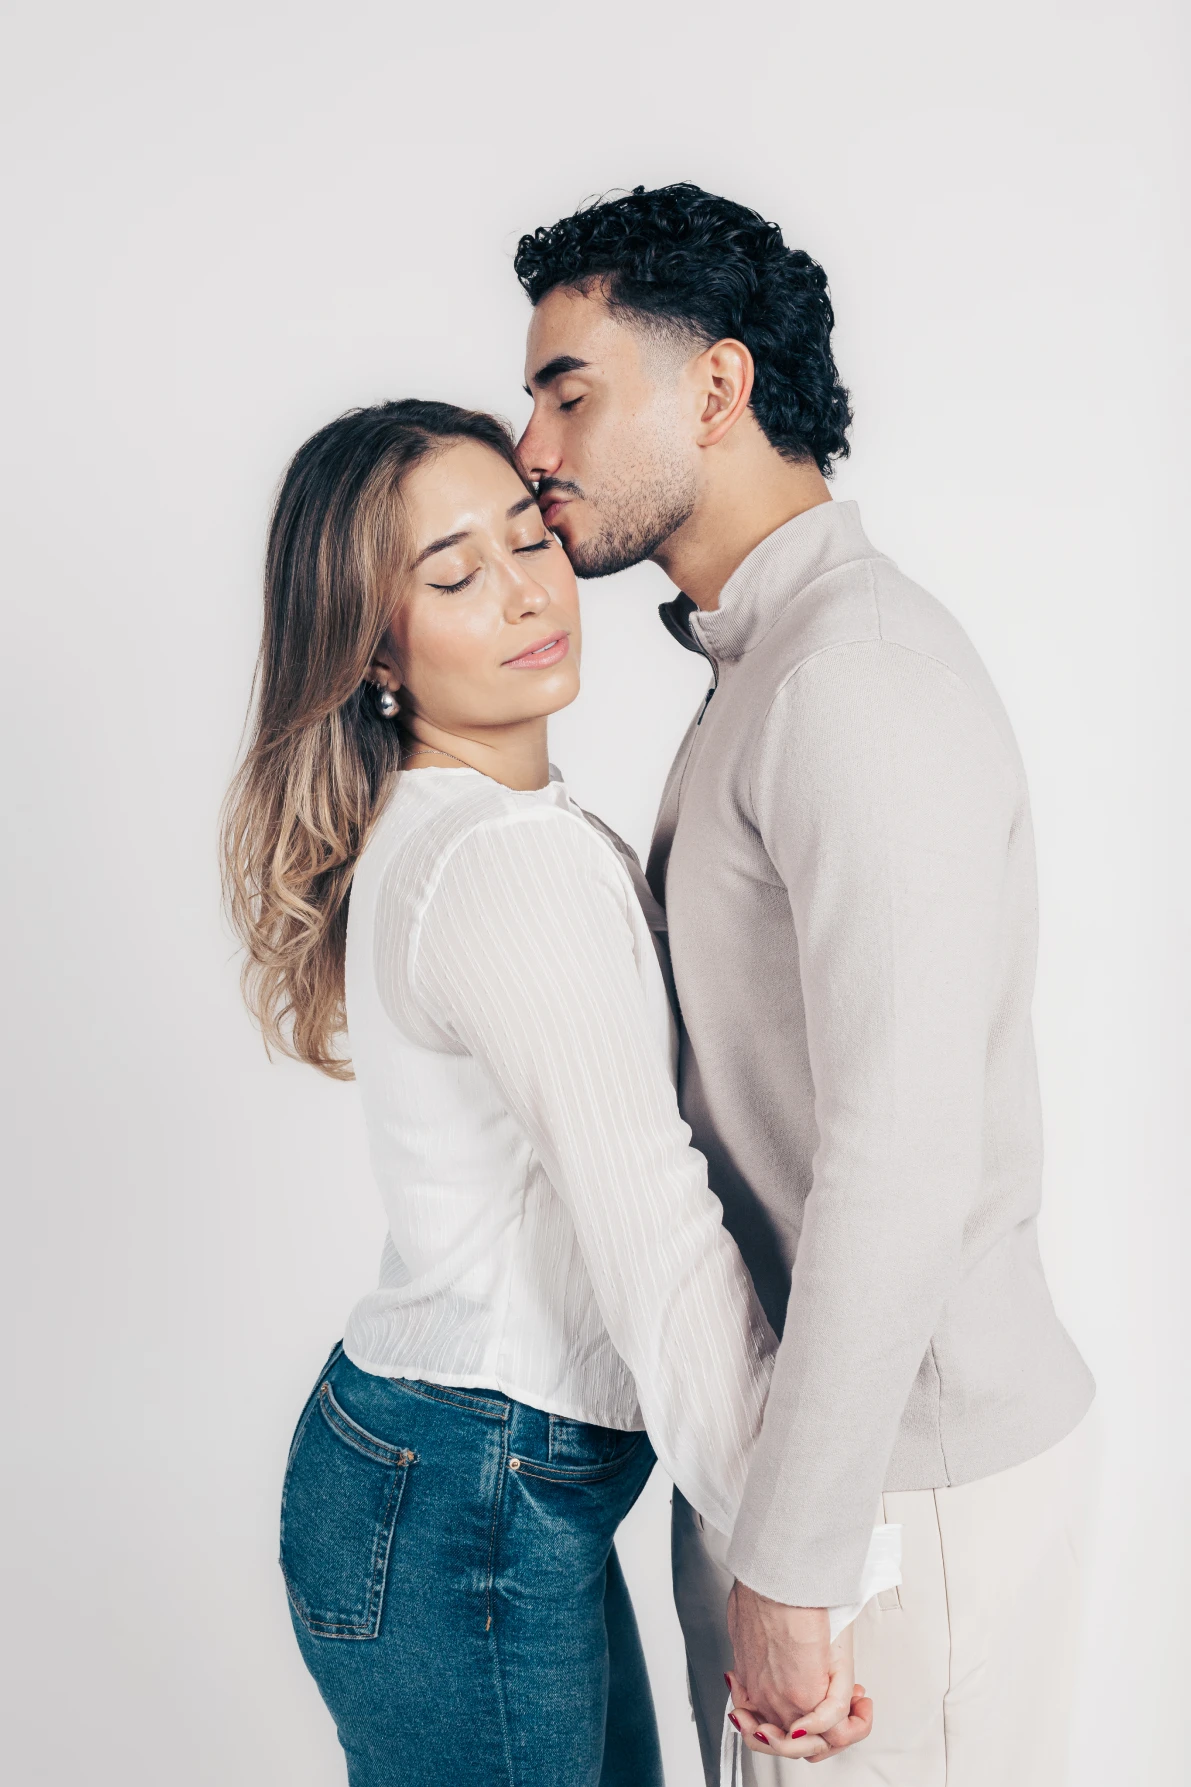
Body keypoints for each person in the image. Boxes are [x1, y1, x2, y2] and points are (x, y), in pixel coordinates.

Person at [515, 184, 1098, 1786]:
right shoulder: (765, 661)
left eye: (569, 392)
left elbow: (901, 1156)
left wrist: (795, 1552)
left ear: (717, 385)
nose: (530, 446)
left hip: (894, 1490)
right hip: (818, 1472)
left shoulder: (848, 676)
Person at [220, 399, 880, 1787]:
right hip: (463, 1493)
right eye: (455, 574)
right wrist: (798, 1554)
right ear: (373, 649)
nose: (527, 592)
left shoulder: (473, 824)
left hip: (449, 1476)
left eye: (529, 540)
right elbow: (650, 1218)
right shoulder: (503, 862)